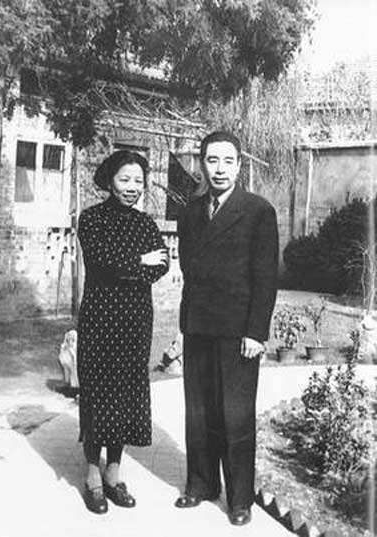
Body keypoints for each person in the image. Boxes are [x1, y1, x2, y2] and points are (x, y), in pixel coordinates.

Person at [175, 131, 279, 526]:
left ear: (239, 165)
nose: (219, 169)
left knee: (235, 415)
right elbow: (189, 269)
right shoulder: (190, 212)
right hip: (198, 325)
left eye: (227, 161)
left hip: (239, 333)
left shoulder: (258, 211)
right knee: (199, 410)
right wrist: (185, 323)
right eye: (212, 160)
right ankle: (201, 484)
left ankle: (239, 499)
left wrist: (256, 332)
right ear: (202, 163)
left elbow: (265, 277)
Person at [77, 150, 169, 514]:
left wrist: (130, 265)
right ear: (109, 180)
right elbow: (100, 261)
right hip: (100, 320)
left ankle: (113, 474)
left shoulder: (145, 224)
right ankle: (92, 476)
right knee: (98, 393)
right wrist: (139, 261)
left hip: (135, 321)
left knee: (126, 396)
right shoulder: (92, 219)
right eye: (124, 179)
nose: (132, 187)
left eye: (138, 181)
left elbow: (162, 264)